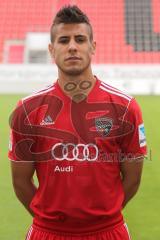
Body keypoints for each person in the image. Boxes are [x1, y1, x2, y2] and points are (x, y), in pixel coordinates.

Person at [8, 5, 147, 240]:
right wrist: (50, 221)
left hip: (108, 232)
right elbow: (21, 182)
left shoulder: (125, 108)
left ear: (93, 47)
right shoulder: (27, 110)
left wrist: (104, 217)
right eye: (64, 40)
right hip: (47, 233)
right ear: (52, 50)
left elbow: (132, 179)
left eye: (80, 39)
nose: (72, 46)